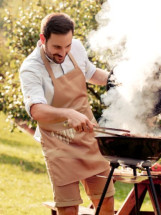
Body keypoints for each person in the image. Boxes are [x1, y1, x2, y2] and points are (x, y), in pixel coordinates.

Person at [19, 13, 115, 215]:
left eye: (67, 46)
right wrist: (68, 114)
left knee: (105, 202)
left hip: (89, 136)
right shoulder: (31, 68)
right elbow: (36, 110)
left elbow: (91, 73)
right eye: (57, 47)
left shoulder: (77, 48)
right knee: (69, 208)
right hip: (58, 143)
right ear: (43, 38)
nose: (63, 52)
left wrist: (116, 80)